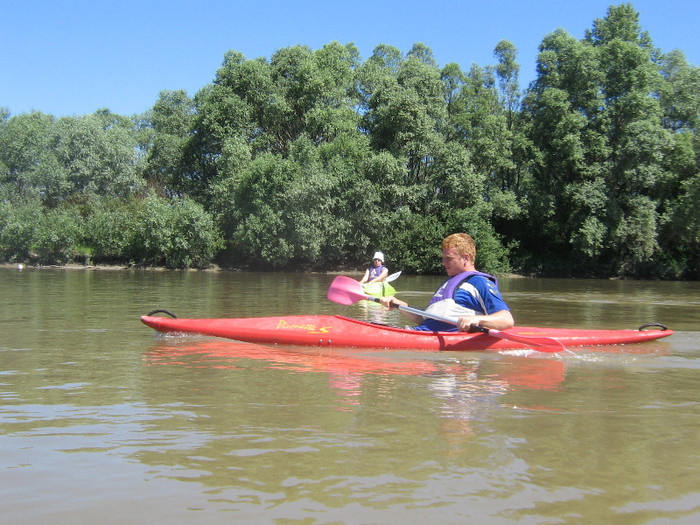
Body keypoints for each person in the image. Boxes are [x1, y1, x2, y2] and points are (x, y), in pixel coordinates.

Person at [379, 234, 514, 332]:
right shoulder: (449, 283)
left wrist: (477, 320)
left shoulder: (480, 282)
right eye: (443, 258)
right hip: (420, 333)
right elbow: (425, 320)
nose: (443, 263)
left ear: (466, 258)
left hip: (438, 342)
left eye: (448, 259)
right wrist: (398, 304)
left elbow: (507, 320)